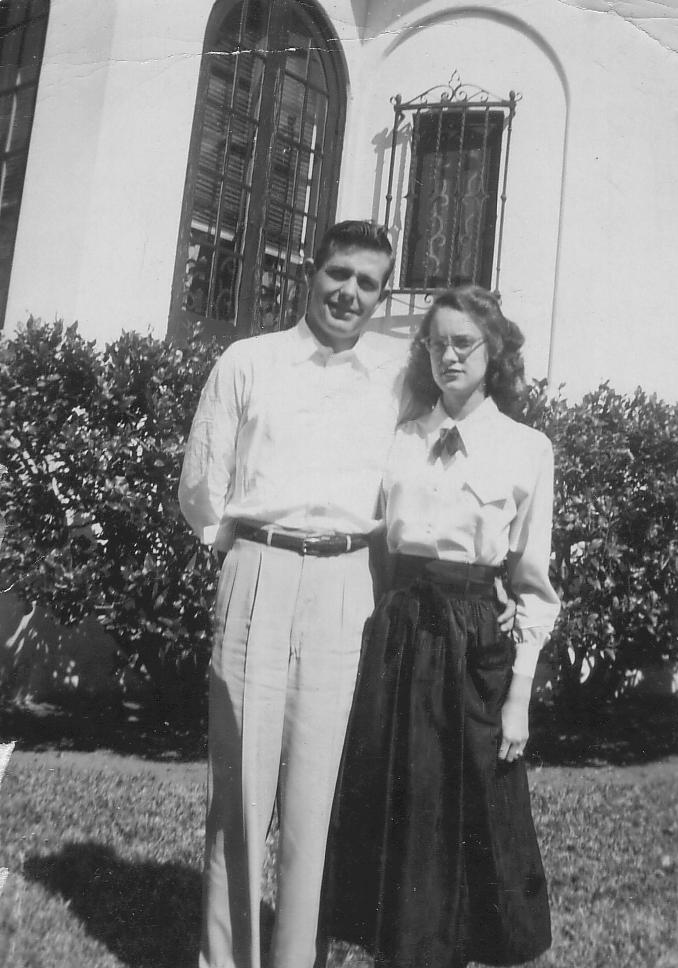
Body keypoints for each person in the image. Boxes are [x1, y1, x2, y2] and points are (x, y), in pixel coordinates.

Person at [179, 222, 516, 968]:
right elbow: (201, 490)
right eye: (339, 274)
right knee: (239, 795)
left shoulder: (397, 374)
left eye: (368, 283)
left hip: (347, 587)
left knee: (318, 800)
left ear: (381, 292)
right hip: (259, 574)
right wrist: (245, 555)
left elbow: (464, 409)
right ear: (311, 270)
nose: (349, 293)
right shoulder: (249, 362)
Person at [322, 285, 561, 968]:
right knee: (401, 803)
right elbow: (371, 542)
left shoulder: (526, 448)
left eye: (464, 343)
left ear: (494, 353)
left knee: (473, 811)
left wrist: (518, 696)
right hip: (400, 633)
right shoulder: (401, 437)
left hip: (474, 638)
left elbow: (533, 584)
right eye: (437, 342)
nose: (449, 355)